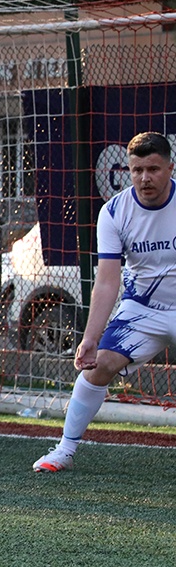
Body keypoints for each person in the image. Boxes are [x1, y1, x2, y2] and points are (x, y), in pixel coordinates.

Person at [34, 132, 176, 472]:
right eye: (137, 170)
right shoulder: (114, 211)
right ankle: (64, 450)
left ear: (170, 168)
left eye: (153, 169)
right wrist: (90, 338)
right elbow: (108, 281)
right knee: (98, 365)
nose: (145, 178)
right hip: (142, 311)